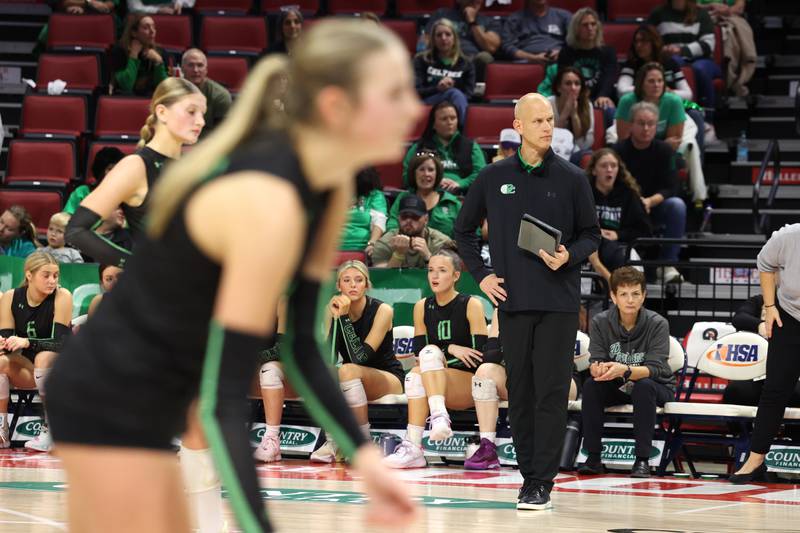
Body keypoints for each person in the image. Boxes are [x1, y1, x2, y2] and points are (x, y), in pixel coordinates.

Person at [45, 20, 420, 533]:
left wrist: (367, 460)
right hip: (109, 388)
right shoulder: (266, 200)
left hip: (166, 383)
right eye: (395, 92)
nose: (413, 108)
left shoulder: (329, 191)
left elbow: (304, 349)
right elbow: (225, 401)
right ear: (337, 105)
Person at [455, 93, 600, 510]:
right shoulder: (492, 176)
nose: (547, 127)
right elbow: (463, 231)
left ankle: (541, 481)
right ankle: (527, 475)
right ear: (517, 126)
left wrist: (568, 255)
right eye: (537, 120)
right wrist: (481, 277)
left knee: (551, 393)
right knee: (519, 392)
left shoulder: (572, 178)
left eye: (550, 119)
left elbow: (591, 234)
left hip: (558, 303)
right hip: (512, 303)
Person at [66, 77, 205, 268]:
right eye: (191, 112)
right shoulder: (136, 166)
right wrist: (133, 263)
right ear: (162, 112)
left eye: (202, 114)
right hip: (154, 292)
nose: (201, 121)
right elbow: (76, 230)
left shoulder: (192, 165)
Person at [384, 250, 488, 468]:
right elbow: (420, 351)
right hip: (436, 379)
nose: (435, 276)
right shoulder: (422, 306)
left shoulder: (471, 305)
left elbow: (480, 356)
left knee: (428, 359)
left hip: (469, 383)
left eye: (442, 270)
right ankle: (416, 444)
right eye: (431, 270)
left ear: (456, 276)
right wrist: (451, 348)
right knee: (415, 374)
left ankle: (435, 422)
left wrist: (441, 356)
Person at [577, 266, 675, 478]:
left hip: (658, 386)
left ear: (644, 296)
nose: (630, 300)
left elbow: (656, 369)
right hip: (618, 383)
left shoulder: (658, 323)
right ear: (613, 296)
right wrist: (598, 368)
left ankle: (642, 460)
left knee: (644, 386)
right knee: (592, 386)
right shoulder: (600, 322)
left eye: (635, 294)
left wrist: (626, 370)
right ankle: (593, 457)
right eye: (623, 294)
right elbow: (597, 359)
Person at [306, 261, 406, 463]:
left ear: (367, 285)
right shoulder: (331, 309)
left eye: (359, 280)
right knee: (326, 370)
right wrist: (334, 319)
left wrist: (343, 319)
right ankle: (333, 441)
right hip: (353, 377)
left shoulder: (383, 310)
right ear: (338, 286)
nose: (353, 285)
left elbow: (361, 358)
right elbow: (331, 356)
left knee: (348, 370)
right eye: (347, 280)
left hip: (388, 377)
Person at [466, 307, 581, 470]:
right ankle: (487, 446)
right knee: (484, 372)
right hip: (518, 377)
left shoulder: (547, 307)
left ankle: (545, 451)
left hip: (562, 378)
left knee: (537, 377)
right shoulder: (503, 309)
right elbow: (490, 355)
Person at [730, 224, 800, 483]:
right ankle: (756, 459)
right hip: (789, 318)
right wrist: (770, 306)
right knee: (774, 391)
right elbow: (765, 264)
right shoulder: (788, 237)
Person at [0, 251, 72, 451]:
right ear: (29, 275)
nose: (52, 281)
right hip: (28, 369)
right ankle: (1, 431)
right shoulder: (10, 297)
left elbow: (60, 343)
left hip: (61, 368)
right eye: (46, 275)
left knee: (44, 357)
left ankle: (51, 430)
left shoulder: (62, 295)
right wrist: (3, 343)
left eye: (55, 275)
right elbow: (5, 338)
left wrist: (26, 342)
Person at [614, 101, 685, 282]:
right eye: (641, 123)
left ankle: (667, 263)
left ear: (656, 126)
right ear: (631, 125)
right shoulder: (618, 150)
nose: (646, 128)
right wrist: (636, 203)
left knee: (677, 206)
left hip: (654, 205)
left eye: (651, 124)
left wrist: (650, 201)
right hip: (626, 209)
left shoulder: (665, 150)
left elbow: (672, 186)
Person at [615, 62, 706, 203]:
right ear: (641, 84)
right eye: (651, 81)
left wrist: (654, 144)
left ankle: (698, 198)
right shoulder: (627, 101)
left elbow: (674, 142)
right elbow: (623, 138)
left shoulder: (673, 101)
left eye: (660, 81)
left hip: (660, 148)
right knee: (612, 141)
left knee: (690, 146)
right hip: (638, 143)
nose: (656, 85)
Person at [647, 0, 721, 137]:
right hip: (671, 59)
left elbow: (708, 44)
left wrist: (681, 50)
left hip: (701, 59)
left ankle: (708, 121)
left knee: (698, 69)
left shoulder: (701, 14)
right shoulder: (658, 13)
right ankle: (680, 114)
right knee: (674, 64)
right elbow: (647, 39)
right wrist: (663, 50)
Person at [722, 294, 800, 408]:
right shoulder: (759, 300)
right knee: (735, 391)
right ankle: (747, 426)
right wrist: (760, 325)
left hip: (790, 376)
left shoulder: (795, 302)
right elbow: (739, 318)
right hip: (758, 375)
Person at [586, 149, 651, 280]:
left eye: (613, 166)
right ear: (594, 170)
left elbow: (645, 231)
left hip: (620, 247)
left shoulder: (629, 195)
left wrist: (618, 234)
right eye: (604, 166)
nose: (609, 170)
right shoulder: (584, 193)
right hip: (590, 247)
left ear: (618, 169)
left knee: (627, 262)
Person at [537, 7, 616, 114]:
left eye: (593, 24)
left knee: (609, 110)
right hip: (572, 98)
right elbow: (564, 81)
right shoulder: (567, 53)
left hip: (599, 98)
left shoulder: (608, 53)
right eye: (585, 25)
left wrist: (603, 95)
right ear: (576, 29)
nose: (590, 28)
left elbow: (609, 79)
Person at [403, 101, 486, 192]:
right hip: (426, 195)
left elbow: (481, 174)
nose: (449, 122)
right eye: (444, 119)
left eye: (453, 118)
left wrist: (460, 183)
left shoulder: (471, 147)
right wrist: (433, 181)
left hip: (463, 196)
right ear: (433, 124)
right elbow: (407, 175)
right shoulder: (419, 147)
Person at [414, 18, 476, 125]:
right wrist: (437, 88)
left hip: (455, 106)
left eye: (448, 34)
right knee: (453, 93)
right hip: (428, 103)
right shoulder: (421, 60)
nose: (443, 38)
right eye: (439, 35)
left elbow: (468, 94)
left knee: (455, 94)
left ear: (455, 38)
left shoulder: (466, 63)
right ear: (433, 39)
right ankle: (461, 134)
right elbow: (416, 91)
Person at [387, 152, 462, 238]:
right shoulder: (403, 198)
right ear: (413, 173)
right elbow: (391, 226)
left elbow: (464, 234)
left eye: (431, 170)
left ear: (437, 174)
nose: (426, 174)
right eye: (421, 169)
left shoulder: (452, 202)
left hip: (444, 249)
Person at [424, 0, 501, 81]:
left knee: (485, 57)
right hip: (444, 59)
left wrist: (472, 22)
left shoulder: (489, 21)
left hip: (472, 62)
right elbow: (426, 41)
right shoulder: (442, 14)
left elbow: (491, 48)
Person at [372, 195, 454, 268]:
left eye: (415, 217)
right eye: (404, 216)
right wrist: (398, 255)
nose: (408, 221)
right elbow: (382, 279)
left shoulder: (440, 242)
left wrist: (428, 257)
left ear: (426, 219)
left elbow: (449, 277)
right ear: (398, 218)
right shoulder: (385, 243)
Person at [618, 25, 693, 102]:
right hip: (641, 106)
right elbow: (622, 91)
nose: (638, 45)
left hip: (668, 104)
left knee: (694, 113)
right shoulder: (632, 63)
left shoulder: (670, 63)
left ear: (654, 42)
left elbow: (688, 94)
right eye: (636, 41)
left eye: (643, 41)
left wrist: (666, 92)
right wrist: (650, 89)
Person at [698, 0, 755, 97]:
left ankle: (733, 81)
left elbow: (740, 7)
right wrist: (709, 6)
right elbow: (688, 5)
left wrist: (727, 10)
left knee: (731, 36)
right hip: (703, 16)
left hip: (730, 16)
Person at [110, 15, 168, 96]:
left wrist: (158, 62)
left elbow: (164, 89)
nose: (152, 31)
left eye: (153, 27)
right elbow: (126, 86)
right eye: (146, 28)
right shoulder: (120, 51)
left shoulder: (160, 52)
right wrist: (133, 56)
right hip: (125, 100)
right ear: (134, 33)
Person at [548, 66, 595, 164]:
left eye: (577, 84)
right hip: (551, 152)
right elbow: (550, 140)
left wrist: (574, 115)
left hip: (576, 154)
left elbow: (584, 144)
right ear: (559, 87)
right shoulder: (547, 104)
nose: (573, 88)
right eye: (568, 83)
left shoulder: (587, 105)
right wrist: (565, 112)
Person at [181, 49, 233, 138]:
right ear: (182, 69)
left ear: (206, 70)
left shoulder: (220, 95)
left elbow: (224, 134)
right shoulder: (172, 91)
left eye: (200, 65)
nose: (196, 70)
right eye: (191, 65)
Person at [501, 0, 572, 64]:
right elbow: (507, 46)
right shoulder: (515, 19)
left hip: (559, 60)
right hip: (527, 62)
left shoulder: (564, 16)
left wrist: (561, 53)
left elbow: (575, 41)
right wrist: (532, 58)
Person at [339, 167, 387, 260]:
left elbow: (379, 222)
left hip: (363, 250)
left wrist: (372, 243)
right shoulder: (335, 193)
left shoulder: (375, 195)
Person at [64, 147, 126, 216]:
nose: (109, 173)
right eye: (110, 169)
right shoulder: (81, 193)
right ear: (99, 170)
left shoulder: (127, 197)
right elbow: (65, 221)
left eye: (116, 169)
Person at [127, 0, 193, 14]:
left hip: (175, 13)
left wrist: (179, 2)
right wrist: (157, 10)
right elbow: (134, 8)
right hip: (142, 17)